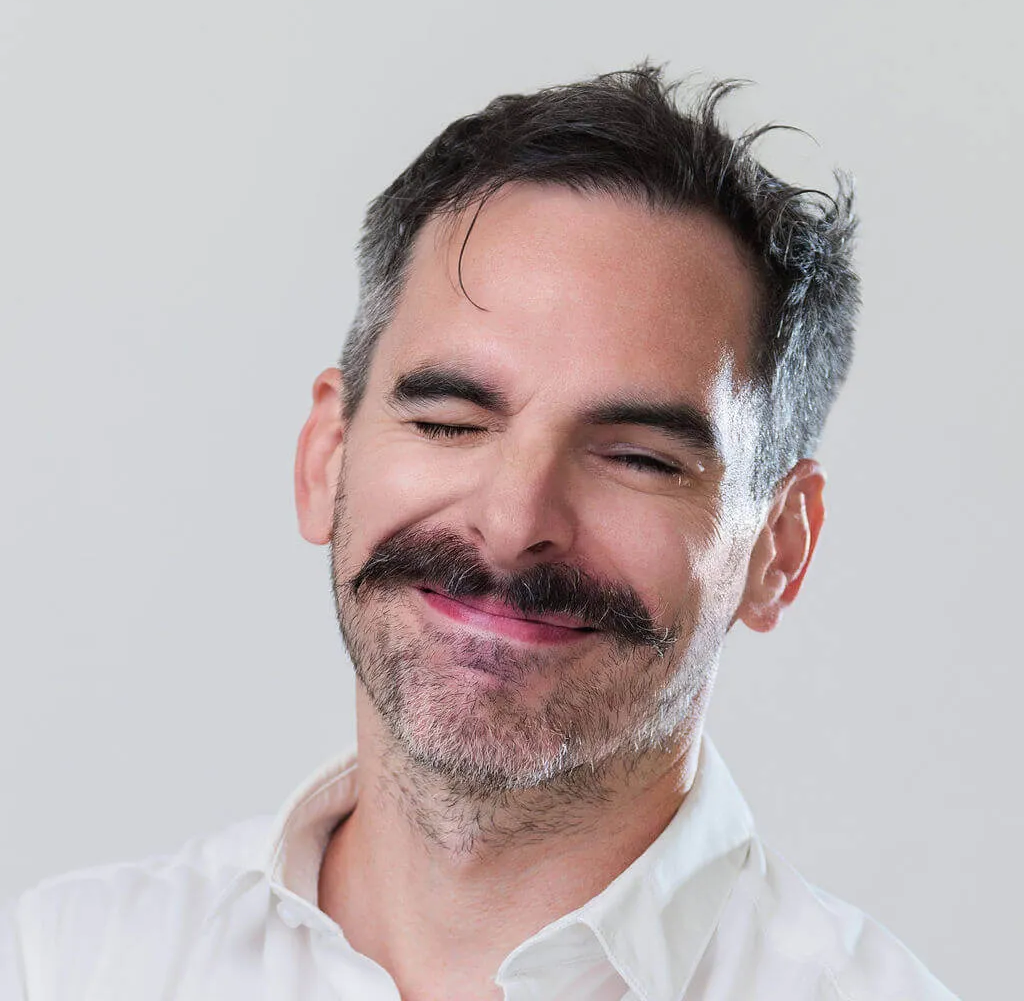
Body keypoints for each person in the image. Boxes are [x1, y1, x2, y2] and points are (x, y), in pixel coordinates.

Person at [0, 65, 957, 1000]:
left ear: (779, 548)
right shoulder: (59, 968)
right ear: (326, 458)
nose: (511, 524)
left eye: (639, 458)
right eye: (448, 422)